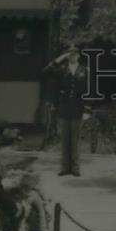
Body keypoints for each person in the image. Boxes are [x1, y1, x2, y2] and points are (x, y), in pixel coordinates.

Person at [43, 43, 90, 177]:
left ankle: (75, 168)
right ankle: (64, 168)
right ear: (67, 56)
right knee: (65, 140)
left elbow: (89, 90)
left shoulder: (84, 70)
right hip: (64, 108)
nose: (72, 56)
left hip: (78, 108)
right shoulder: (61, 69)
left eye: (74, 54)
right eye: (69, 54)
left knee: (75, 140)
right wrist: (59, 59)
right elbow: (46, 72)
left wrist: (87, 109)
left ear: (79, 56)